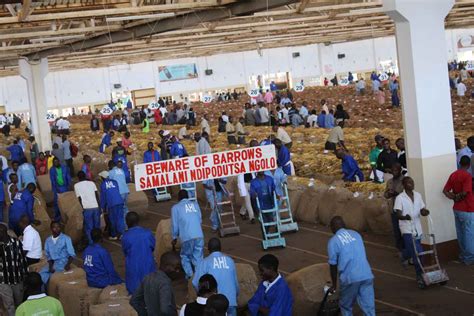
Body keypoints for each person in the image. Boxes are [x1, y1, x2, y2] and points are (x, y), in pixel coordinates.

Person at [327, 216, 375, 315]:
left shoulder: (333, 241)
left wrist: (334, 285)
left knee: (345, 306)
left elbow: (333, 265)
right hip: (366, 274)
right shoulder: (356, 234)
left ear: (332, 228)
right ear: (344, 225)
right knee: (369, 307)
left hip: (350, 278)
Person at [394, 177, 430, 288]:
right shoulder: (400, 198)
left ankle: (404, 255)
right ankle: (420, 276)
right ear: (404, 185)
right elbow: (398, 215)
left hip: (417, 228)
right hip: (407, 229)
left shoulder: (418, 195)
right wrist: (405, 217)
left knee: (413, 251)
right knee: (418, 254)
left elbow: (422, 209)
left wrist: (425, 212)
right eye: (409, 183)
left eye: (412, 182)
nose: (412, 184)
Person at [193, 238, 239, 316]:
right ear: (220, 248)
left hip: (215, 305)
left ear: (208, 249)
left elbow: (195, 282)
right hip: (231, 302)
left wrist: (202, 296)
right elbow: (236, 284)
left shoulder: (205, 262)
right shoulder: (230, 261)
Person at [443, 155, 474, 265]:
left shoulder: (454, 174)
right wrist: (458, 197)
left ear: (460, 163)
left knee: (460, 233)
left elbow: (445, 190)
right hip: (467, 208)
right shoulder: (467, 176)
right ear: (469, 164)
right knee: (469, 233)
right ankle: (469, 258)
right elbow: (466, 192)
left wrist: (453, 197)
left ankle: (463, 255)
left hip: (457, 208)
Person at [130, 251, 181, 316]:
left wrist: (144, 313)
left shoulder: (148, 277)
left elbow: (134, 300)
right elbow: (165, 309)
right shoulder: (165, 283)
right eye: (176, 268)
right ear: (166, 266)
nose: (178, 271)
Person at [171, 190, 204, 279]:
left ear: (178, 198)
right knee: (198, 256)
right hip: (199, 234)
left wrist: (174, 237)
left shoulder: (175, 208)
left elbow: (175, 225)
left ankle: (190, 277)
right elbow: (200, 220)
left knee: (185, 256)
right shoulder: (195, 205)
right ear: (188, 197)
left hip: (187, 237)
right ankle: (200, 276)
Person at [122, 212, 156, 294]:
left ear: (127, 222)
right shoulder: (148, 233)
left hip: (133, 265)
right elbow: (153, 246)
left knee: (134, 289)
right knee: (150, 287)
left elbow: (125, 251)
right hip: (148, 263)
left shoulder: (125, 236)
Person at [0, 224, 28, 315]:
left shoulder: (16, 243)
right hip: (3, 280)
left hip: (17, 278)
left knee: (19, 303)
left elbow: (22, 259)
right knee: (9, 305)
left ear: (5, 231)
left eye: (1, 231)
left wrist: (25, 274)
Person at [384, 163, 406, 254]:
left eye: (396, 170)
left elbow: (406, 193)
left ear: (400, 170)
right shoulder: (389, 181)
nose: (394, 172)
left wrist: (397, 193)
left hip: (403, 210)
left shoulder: (404, 180)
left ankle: (406, 249)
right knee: (396, 231)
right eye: (392, 171)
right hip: (393, 209)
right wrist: (388, 194)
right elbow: (385, 194)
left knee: (404, 230)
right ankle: (399, 249)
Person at [74, 171, 100, 245]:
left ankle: (91, 242)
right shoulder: (92, 183)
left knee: (89, 227)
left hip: (87, 208)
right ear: (85, 176)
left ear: (78, 178)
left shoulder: (76, 185)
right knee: (96, 226)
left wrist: (83, 207)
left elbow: (79, 199)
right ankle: (97, 240)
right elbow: (96, 195)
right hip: (95, 206)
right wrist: (99, 205)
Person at [99, 171, 125, 240]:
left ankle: (114, 235)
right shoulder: (115, 182)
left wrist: (102, 207)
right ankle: (121, 234)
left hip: (111, 203)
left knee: (112, 220)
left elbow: (103, 197)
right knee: (120, 219)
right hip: (119, 201)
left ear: (103, 177)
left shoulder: (103, 185)